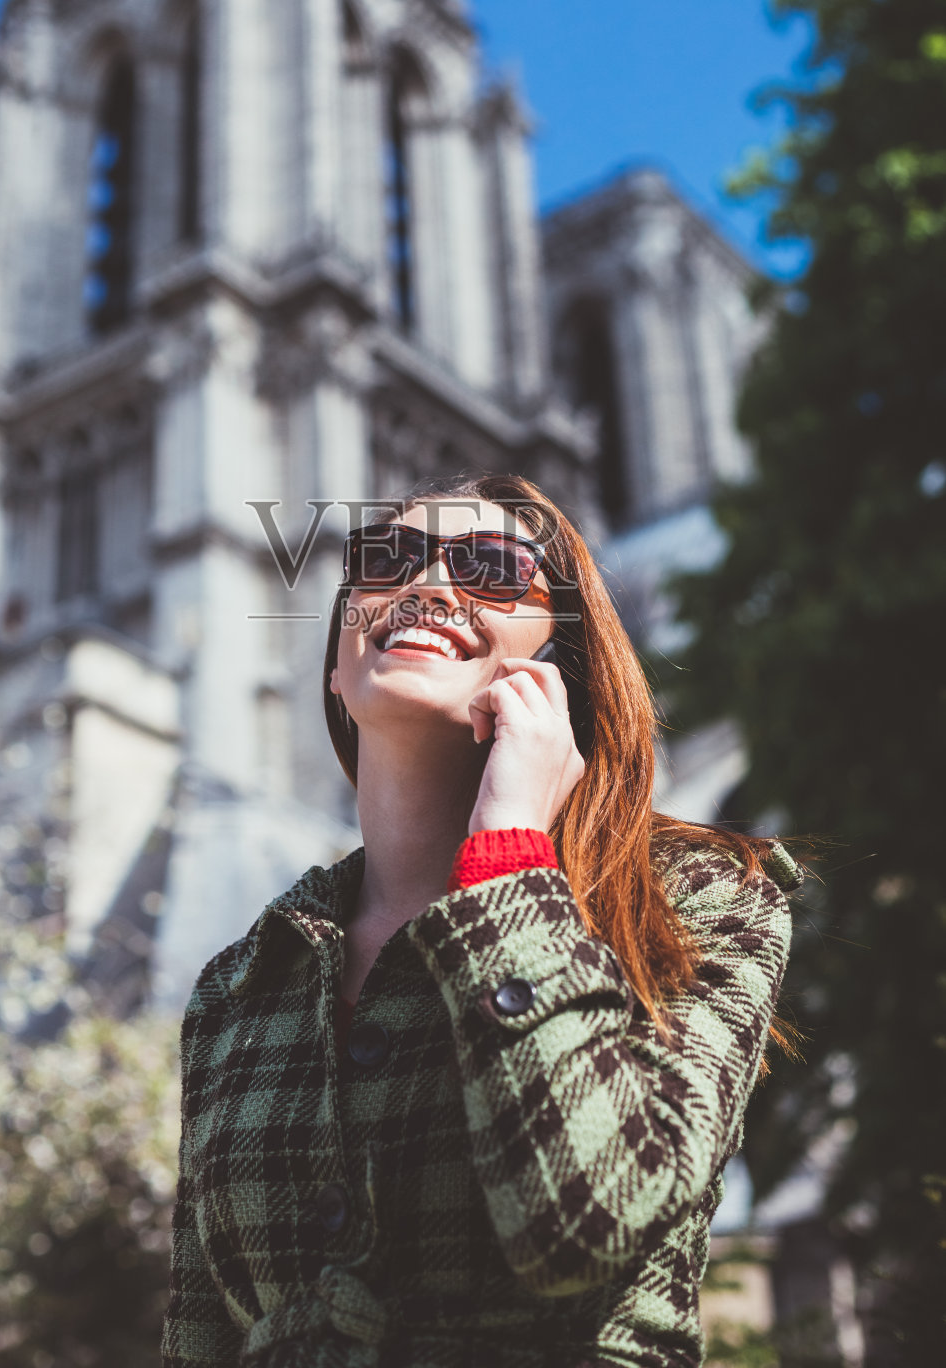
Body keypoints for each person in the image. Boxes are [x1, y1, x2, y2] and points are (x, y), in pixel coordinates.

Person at [161, 474, 800, 1368]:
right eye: (385, 559)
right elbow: (199, 1333)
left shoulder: (694, 903)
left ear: (562, 666)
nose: (425, 584)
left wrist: (507, 854)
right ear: (336, 666)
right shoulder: (240, 983)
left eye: (492, 567)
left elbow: (584, 1220)